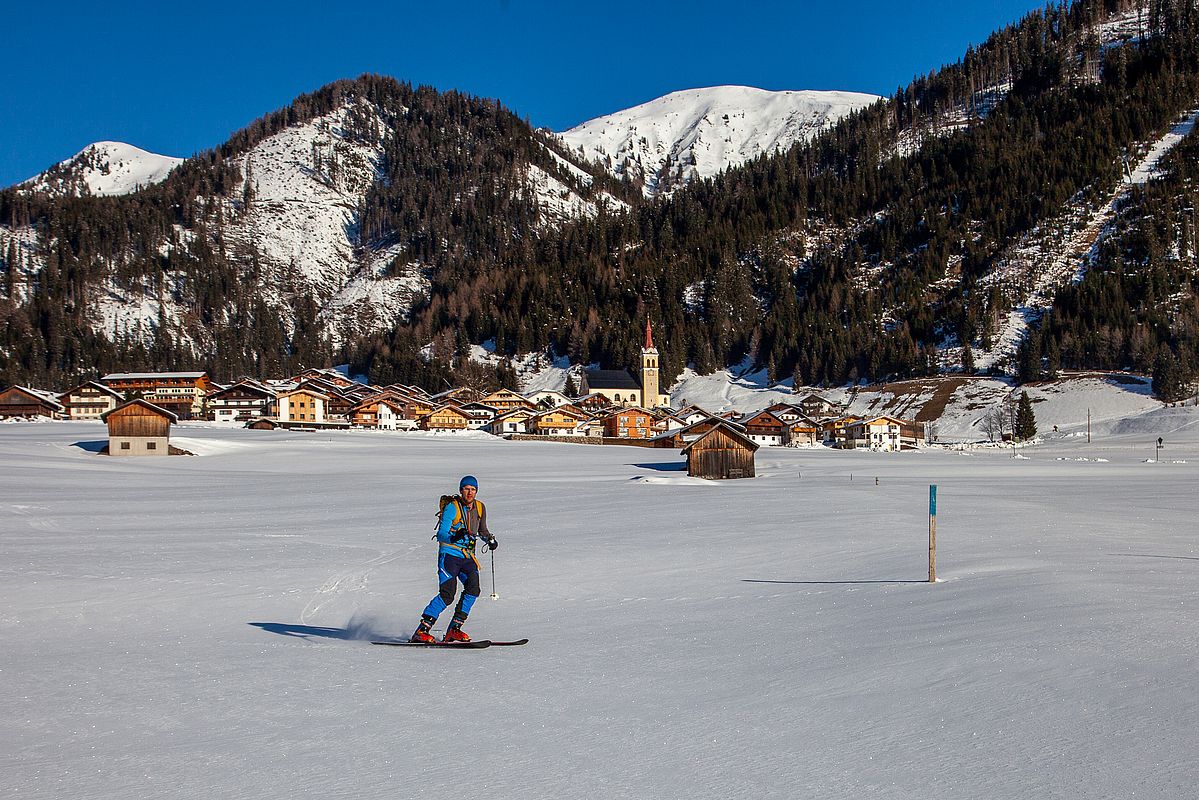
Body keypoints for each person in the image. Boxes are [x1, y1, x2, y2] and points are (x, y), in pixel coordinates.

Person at [411, 475, 499, 643]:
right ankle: (421, 631)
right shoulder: (453, 507)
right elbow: (441, 534)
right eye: (466, 489)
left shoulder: (480, 508)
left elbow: (482, 530)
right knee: (447, 594)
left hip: (467, 556)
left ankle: (454, 629)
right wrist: (456, 535)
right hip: (450, 555)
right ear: (461, 490)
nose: (470, 492)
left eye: (473, 489)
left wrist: (490, 540)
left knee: (473, 590)